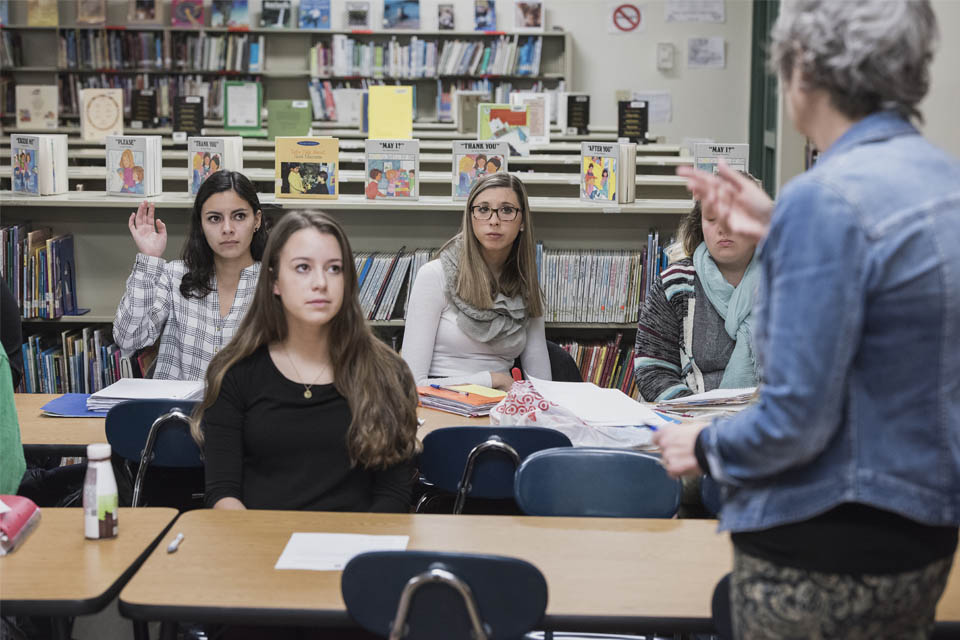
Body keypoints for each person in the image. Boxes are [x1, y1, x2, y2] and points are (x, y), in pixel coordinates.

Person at [655, 1, 960, 638]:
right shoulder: (942, 181)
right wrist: (781, 225)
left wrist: (702, 444)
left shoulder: (824, 199)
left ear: (803, 72)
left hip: (825, 540)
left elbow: (795, 420)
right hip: (922, 530)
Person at [193, 211, 420, 512]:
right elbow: (223, 493)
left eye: (334, 269)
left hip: (357, 547)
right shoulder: (234, 373)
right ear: (274, 281)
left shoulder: (388, 373)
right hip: (260, 547)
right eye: (302, 268)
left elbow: (393, 496)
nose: (320, 283)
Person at [402, 172, 551, 390]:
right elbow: (410, 384)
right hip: (440, 403)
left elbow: (542, 385)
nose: (494, 221)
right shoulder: (434, 276)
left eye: (507, 210)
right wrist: (492, 380)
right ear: (470, 217)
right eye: (483, 209)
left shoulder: (526, 287)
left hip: (502, 407)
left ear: (522, 222)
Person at [113, 171, 267, 380]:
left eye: (239, 216)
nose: (228, 229)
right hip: (178, 411)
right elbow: (129, 339)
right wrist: (149, 258)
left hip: (246, 411)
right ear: (201, 225)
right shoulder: (174, 276)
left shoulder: (275, 283)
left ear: (256, 220)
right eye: (214, 218)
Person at [634, 197, 759, 402]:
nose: (722, 229)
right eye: (711, 219)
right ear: (700, 225)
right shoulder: (674, 284)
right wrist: (698, 414)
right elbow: (652, 370)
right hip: (691, 419)